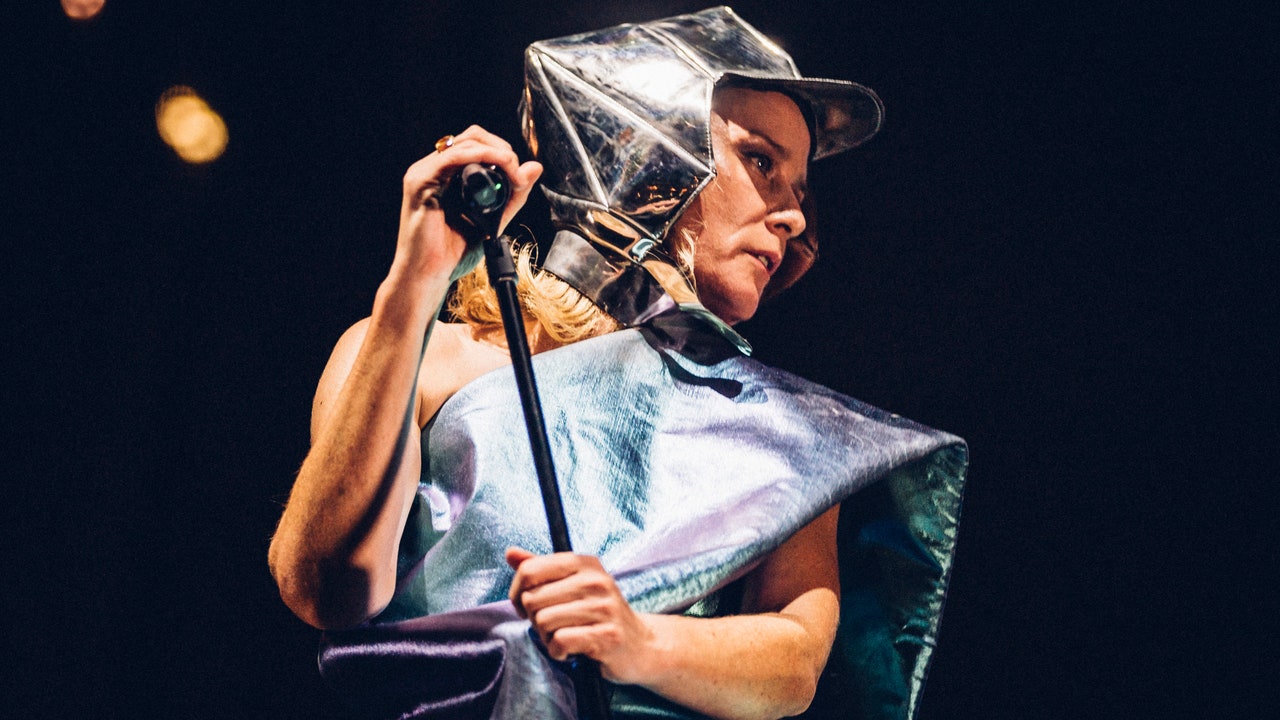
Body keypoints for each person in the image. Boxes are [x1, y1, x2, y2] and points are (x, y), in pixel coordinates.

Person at [269, 7, 967, 720]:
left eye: (799, 189)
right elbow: (325, 589)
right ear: (647, 154)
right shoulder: (423, 355)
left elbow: (794, 661)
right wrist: (412, 289)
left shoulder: (786, 432)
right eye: (761, 161)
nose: (792, 217)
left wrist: (636, 640)